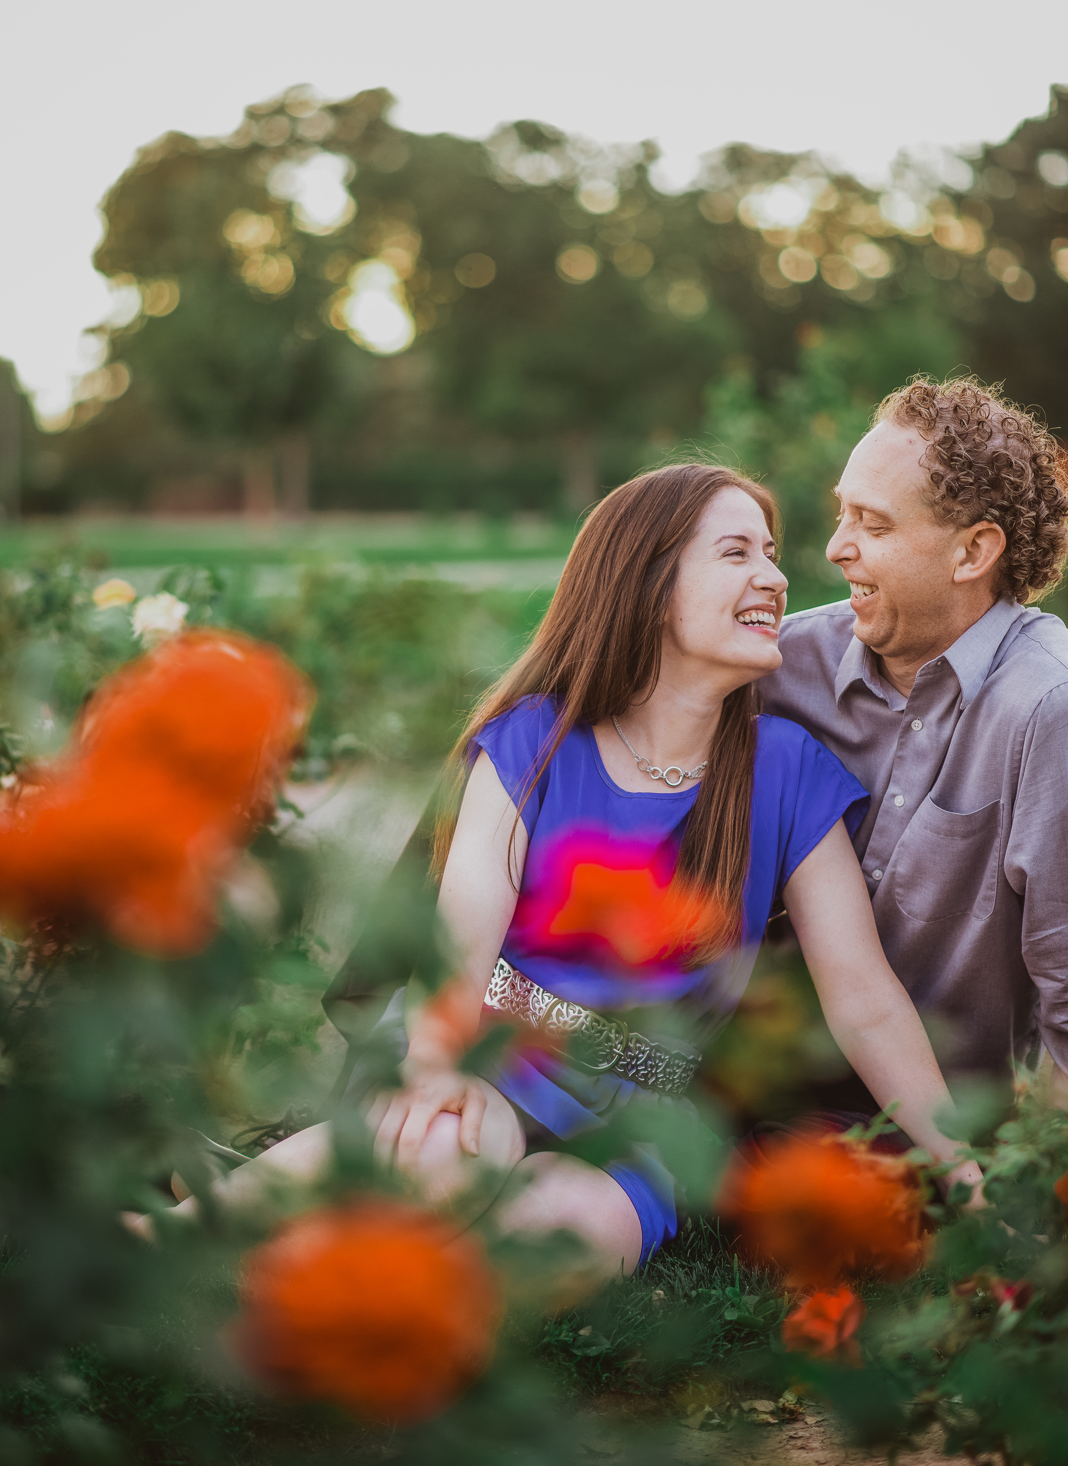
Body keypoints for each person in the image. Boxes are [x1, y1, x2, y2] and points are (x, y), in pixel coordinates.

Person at [163, 462, 981, 1282]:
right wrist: (432, 1072)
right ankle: (182, 1241)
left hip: (643, 1112)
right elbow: (459, 943)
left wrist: (970, 1173)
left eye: (772, 554)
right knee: (446, 1152)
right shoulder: (536, 740)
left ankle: (326, 1302)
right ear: (649, 583)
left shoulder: (789, 770)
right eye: (737, 553)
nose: (774, 577)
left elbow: (866, 1001)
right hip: (492, 1052)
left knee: (569, 1238)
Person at [760, 377, 1068, 1111]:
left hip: (941, 1131)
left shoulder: (1046, 708)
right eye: (842, 514)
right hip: (754, 1100)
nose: (837, 547)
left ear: (973, 552)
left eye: (873, 525)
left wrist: (1033, 1194)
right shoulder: (782, 665)